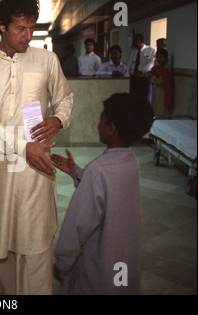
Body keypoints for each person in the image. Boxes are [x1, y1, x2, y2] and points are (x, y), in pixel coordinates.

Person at [0, 0, 74, 295]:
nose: (28, 35)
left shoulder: (46, 60)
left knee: (36, 241)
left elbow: (65, 97)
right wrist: (23, 146)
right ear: (2, 26)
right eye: (20, 28)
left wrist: (59, 118)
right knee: (2, 245)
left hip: (35, 167)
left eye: (32, 28)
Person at [51, 93, 154, 295]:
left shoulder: (97, 170)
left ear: (111, 128)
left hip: (100, 260)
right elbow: (110, 194)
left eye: (102, 119)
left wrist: (63, 261)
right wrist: (76, 172)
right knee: (120, 286)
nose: (99, 124)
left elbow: (78, 224)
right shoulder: (131, 163)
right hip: (121, 258)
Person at [127, 34, 156, 102]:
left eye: (134, 42)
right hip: (134, 79)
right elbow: (129, 64)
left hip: (145, 79)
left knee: (145, 98)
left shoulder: (151, 49)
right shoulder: (134, 52)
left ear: (139, 41)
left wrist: (144, 72)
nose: (133, 44)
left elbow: (157, 61)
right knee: (134, 98)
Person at [148, 49, 174, 116]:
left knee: (161, 112)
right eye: (157, 57)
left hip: (163, 93)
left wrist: (152, 76)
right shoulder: (158, 68)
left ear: (166, 58)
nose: (158, 59)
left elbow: (160, 81)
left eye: (160, 57)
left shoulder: (167, 68)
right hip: (156, 92)